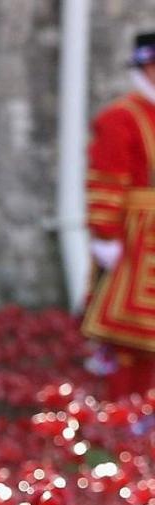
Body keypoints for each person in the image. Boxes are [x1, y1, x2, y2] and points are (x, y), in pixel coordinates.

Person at [84, 31, 155, 397]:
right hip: (137, 245)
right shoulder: (121, 118)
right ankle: (124, 424)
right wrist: (106, 236)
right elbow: (106, 182)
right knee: (130, 344)